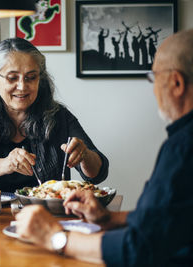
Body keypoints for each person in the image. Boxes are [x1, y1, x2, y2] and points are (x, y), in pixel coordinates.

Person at [15, 29, 193, 266]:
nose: (153, 89)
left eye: (154, 78)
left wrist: (55, 237)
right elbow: (170, 218)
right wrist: (110, 218)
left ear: (177, 83)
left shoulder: (182, 148)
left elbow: (138, 249)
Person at [0, 38, 109, 193]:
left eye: (31, 77)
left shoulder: (59, 116)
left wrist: (85, 155)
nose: (22, 86)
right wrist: (6, 164)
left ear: (40, 78)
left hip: (47, 215)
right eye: (12, 78)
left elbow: (98, 174)